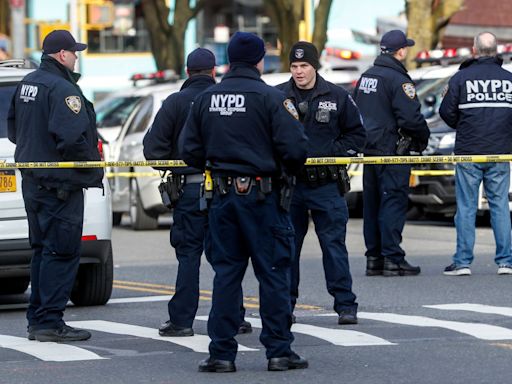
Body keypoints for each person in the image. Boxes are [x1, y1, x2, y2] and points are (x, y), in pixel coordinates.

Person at [180, 31, 309, 373]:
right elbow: (296, 149)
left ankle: (221, 353)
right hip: (264, 197)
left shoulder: (207, 98)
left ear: (229, 60)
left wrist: (218, 162)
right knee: (273, 274)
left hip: (221, 198)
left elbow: (188, 150)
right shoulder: (270, 98)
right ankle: (279, 351)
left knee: (226, 275)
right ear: (258, 60)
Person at [143, 48, 252, 337]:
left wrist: (177, 163)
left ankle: (181, 321)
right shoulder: (226, 100)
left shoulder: (175, 102)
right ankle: (235, 317)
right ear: (214, 71)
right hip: (226, 188)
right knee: (227, 257)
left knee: (189, 256)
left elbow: (153, 150)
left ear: (187, 72)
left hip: (190, 191)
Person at [7, 30, 103, 342]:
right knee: (61, 252)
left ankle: (39, 319)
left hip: (34, 183)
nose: (76, 57)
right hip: (60, 185)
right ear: (62, 54)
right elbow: (74, 140)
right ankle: (49, 321)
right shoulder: (63, 89)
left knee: (42, 251)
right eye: (74, 52)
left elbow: (13, 129)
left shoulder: (27, 84)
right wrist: (89, 167)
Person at [276, 41, 365, 325]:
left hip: (326, 184)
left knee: (334, 246)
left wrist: (331, 154)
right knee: (287, 248)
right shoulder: (278, 96)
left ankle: (345, 304)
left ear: (315, 66)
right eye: (294, 66)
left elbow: (357, 135)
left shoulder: (337, 96)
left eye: (304, 66)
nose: (299, 71)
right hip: (290, 186)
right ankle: (285, 306)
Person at [353, 30, 429, 277]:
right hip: (393, 150)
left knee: (373, 204)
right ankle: (392, 258)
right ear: (401, 51)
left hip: (371, 150)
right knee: (393, 202)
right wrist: (422, 137)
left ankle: (374, 258)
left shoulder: (367, 76)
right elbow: (410, 118)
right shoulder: (398, 80)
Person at [439, 32, 512, 276]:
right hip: (500, 153)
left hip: (469, 151)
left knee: (467, 206)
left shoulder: (461, 78)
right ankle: (506, 261)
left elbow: (446, 113)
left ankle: (462, 262)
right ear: (496, 50)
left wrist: (466, 125)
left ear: (474, 49)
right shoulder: (509, 79)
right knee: (500, 205)